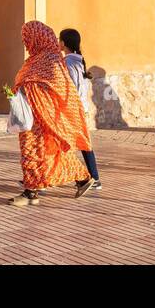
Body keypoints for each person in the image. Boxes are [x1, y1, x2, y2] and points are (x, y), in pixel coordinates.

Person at [9, 21, 93, 206]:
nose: (26, 43)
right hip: (36, 114)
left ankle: (31, 192)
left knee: (33, 151)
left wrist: (29, 88)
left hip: (41, 117)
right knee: (49, 153)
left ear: (37, 38)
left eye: (28, 39)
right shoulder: (39, 58)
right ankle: (82, 178)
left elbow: (57, 87)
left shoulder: (50, 60)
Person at [59, 27, 100, 191]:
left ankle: (89, 178)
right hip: (79, 107)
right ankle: (94, 177)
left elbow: (70, 88)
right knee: (83, 144)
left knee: (61, 143)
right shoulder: (77, 60)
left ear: (63, 43)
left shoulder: (68, 62)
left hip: (73, 109)